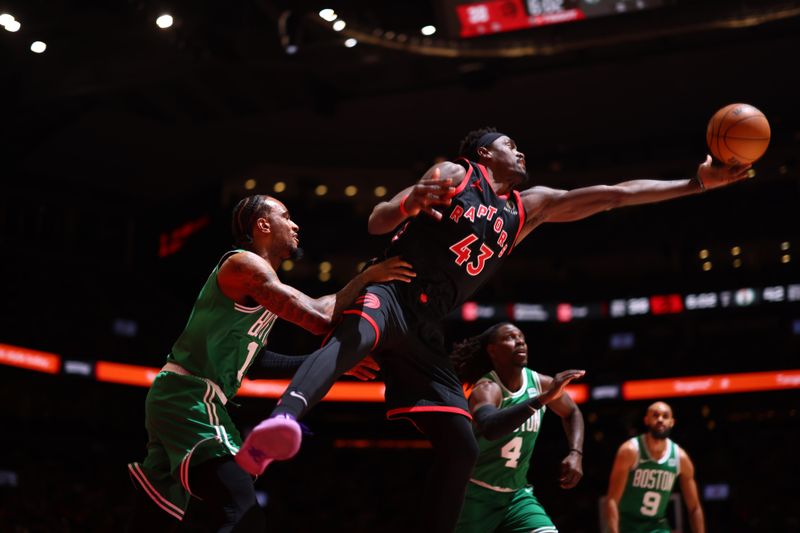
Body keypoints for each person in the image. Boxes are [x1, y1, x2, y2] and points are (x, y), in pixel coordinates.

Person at [238, 127, 749, 532]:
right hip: (392, 288)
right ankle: (279, 425)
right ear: (483, 154)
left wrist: (696, 183)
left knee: (461, 443)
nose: (520, 151)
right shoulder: (453, 174)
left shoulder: (526, 210)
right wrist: (411, 200)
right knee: (358, 336)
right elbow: (377, 219)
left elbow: (614, 195)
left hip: (425, 328)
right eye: (509, 144)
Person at [127, 194, 414, 532]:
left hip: (186, 398)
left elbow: (258, 360)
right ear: (263, 225)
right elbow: (321, 318)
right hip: (190, 396)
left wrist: (322, 361)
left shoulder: (264, 288)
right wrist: (367, 277)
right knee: (243, 509)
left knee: (169, 516)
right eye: (286, 216)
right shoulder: (244, 266)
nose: (295, 225)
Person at [451, 322, 584, 533]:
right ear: (492, 350)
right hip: (474, 494)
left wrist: (575, 452)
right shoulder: (486, 389)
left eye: (521, 336)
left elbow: (572, 413)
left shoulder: (539, 383)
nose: (520, 341)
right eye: (510, 337)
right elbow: (490, 428)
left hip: (516, 496)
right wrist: (543, 399)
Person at [605, 402, 705, 533]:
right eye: (655, 415)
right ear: (646, 420)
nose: (660, 419)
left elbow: (694, 507)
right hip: (626, 525)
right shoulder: (630, 451)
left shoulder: (680, 458)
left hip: (657, 526)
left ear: (672, 422)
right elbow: (612, 500)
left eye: (665, 416)